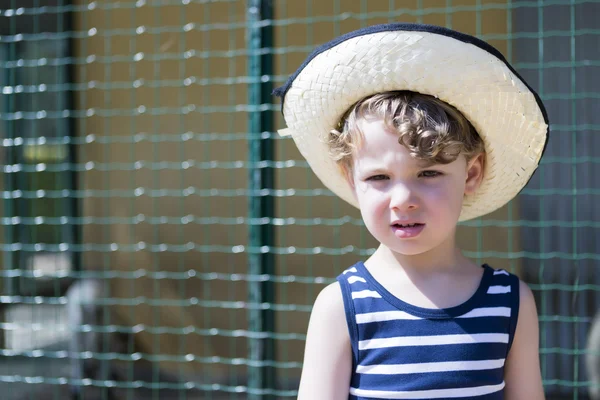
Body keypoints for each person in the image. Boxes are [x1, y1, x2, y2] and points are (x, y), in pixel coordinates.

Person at [274, 23, 548, 399]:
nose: (402, 198)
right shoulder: (341, 307)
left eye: (429, 172)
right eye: (380, 176)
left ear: (471, 173)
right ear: (351, 179)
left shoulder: (511, 301)